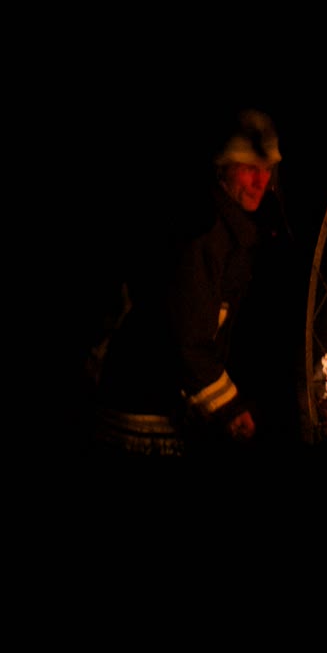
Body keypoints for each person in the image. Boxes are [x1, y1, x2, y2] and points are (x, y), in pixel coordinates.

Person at [94, 111, 283, 453]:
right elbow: (188, 336)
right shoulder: (202, 229)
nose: (261, 181)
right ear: (223, 168)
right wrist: (230, 407)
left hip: (159, 396)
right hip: (144, 400)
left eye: (267, 169)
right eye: (249, 168)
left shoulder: (231, 229)